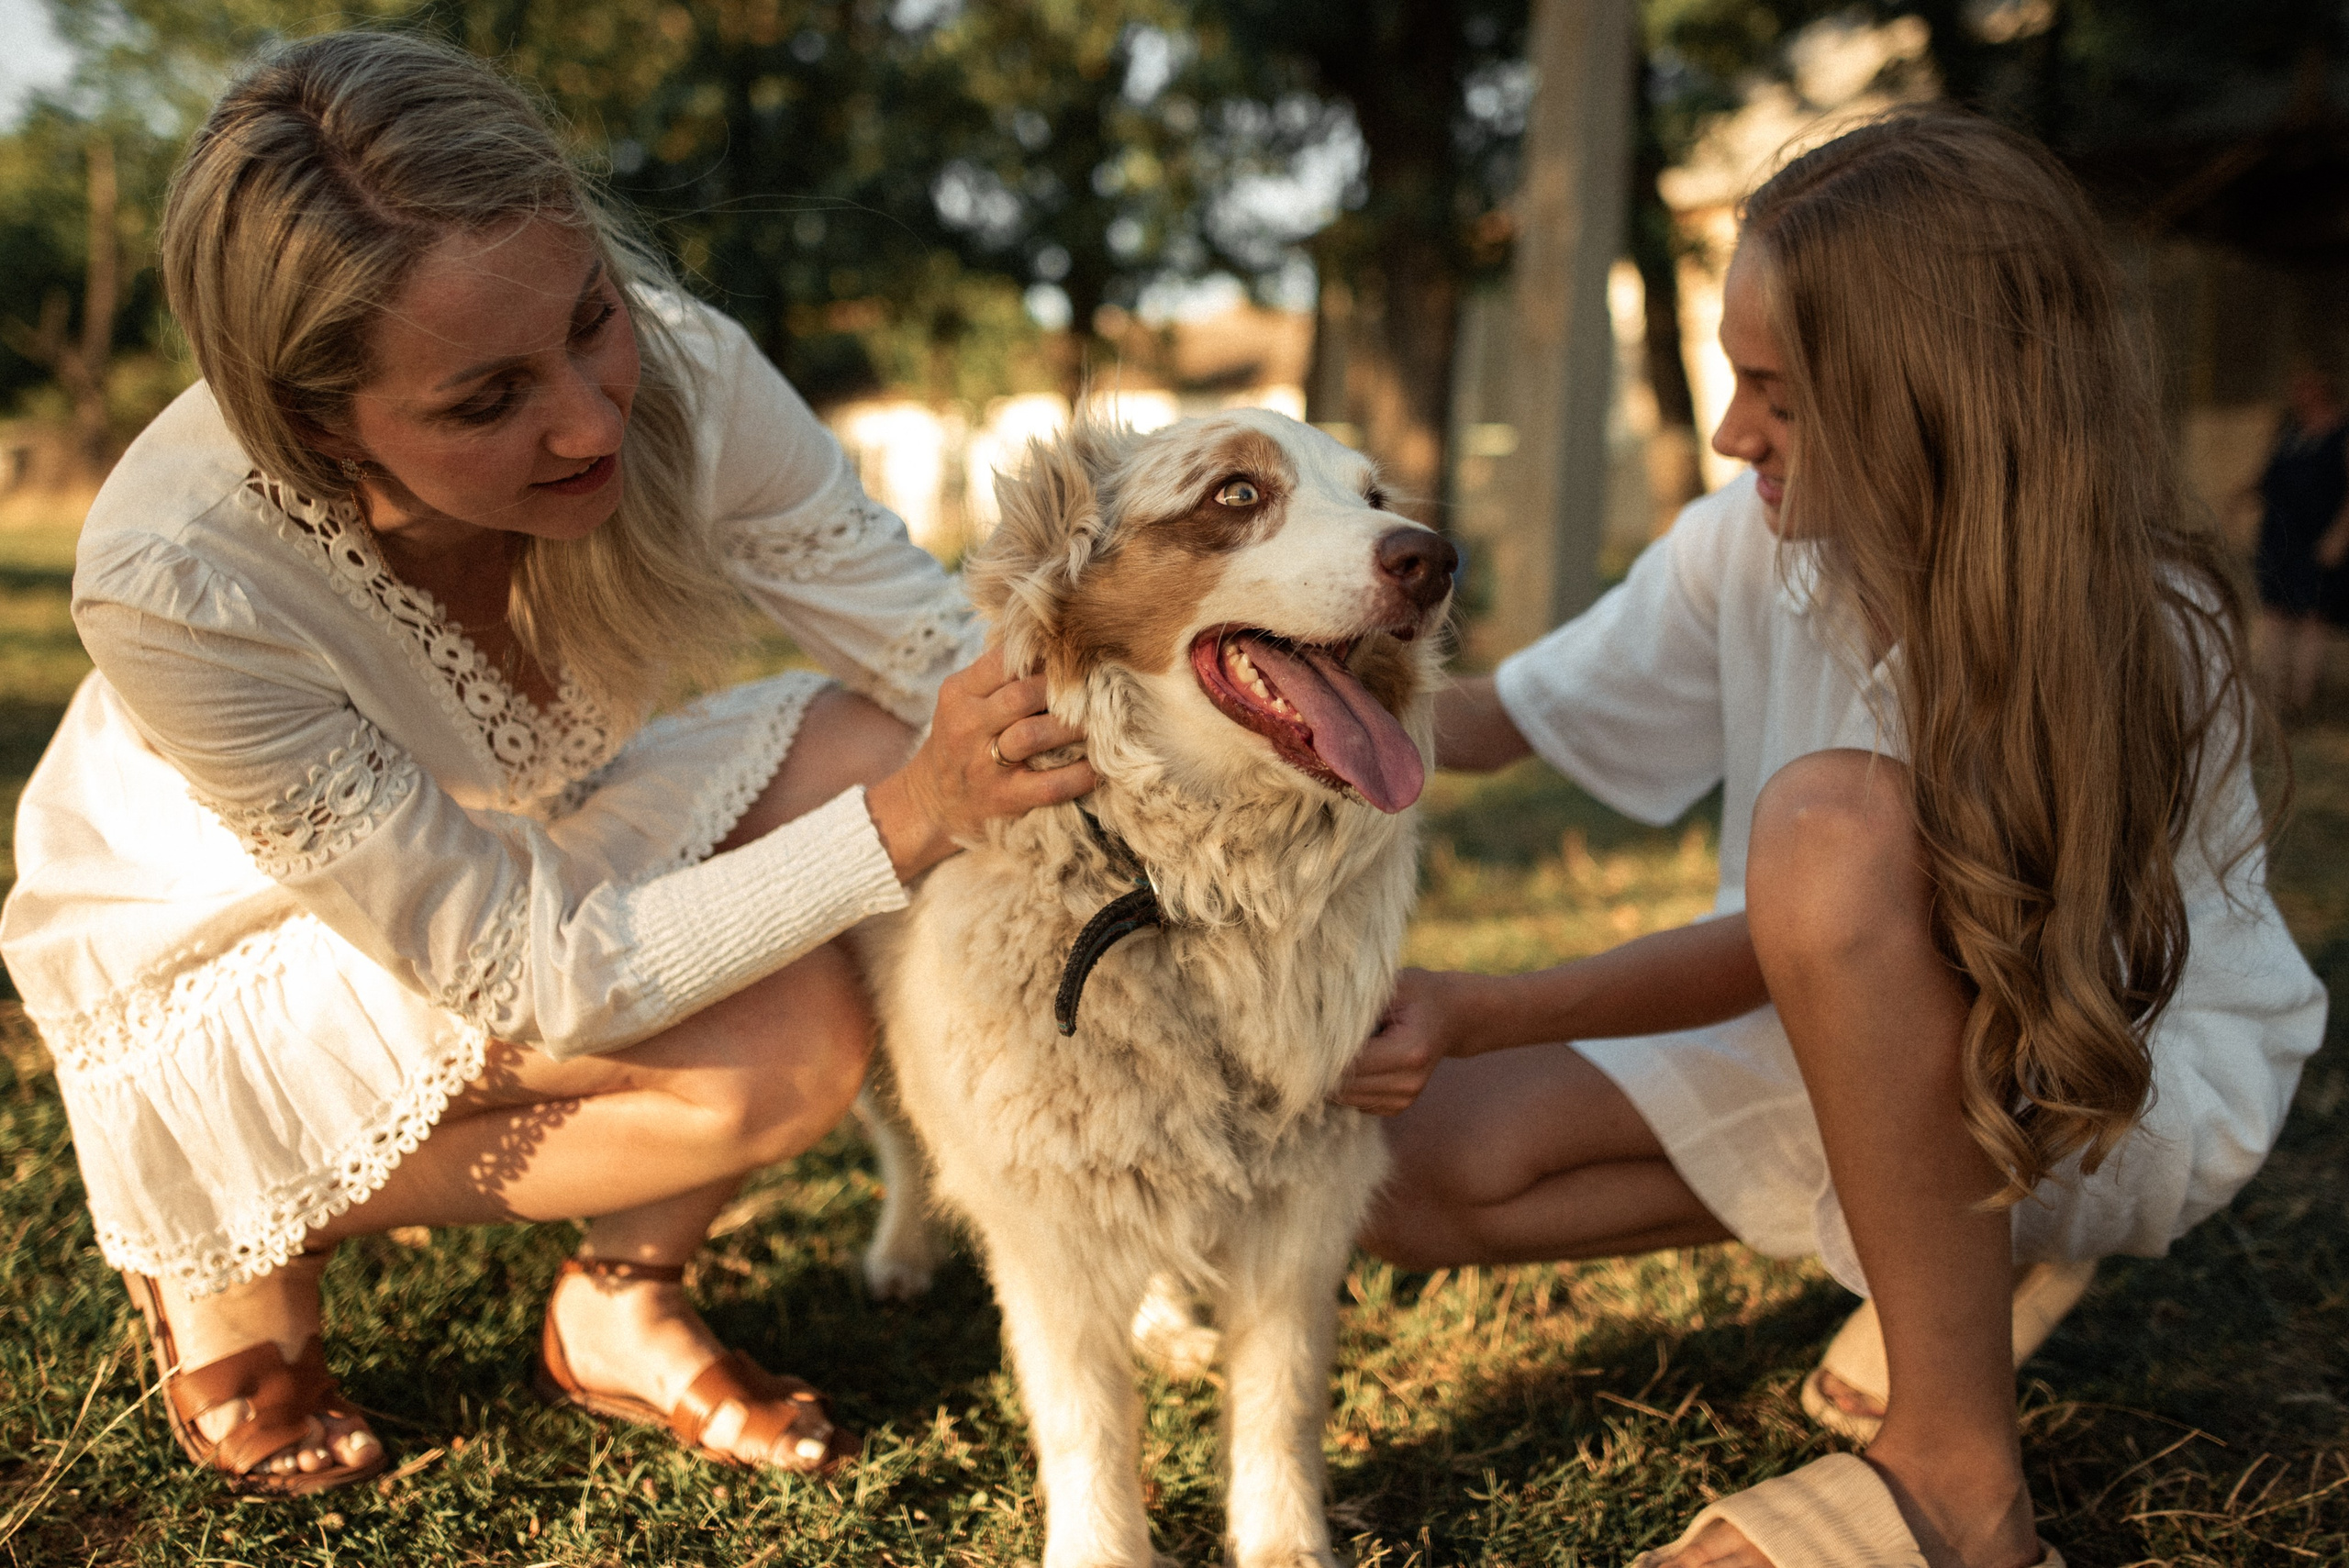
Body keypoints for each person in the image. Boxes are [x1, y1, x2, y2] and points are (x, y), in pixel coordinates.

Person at [0, 31, 1094, 1496]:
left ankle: (617, 1301)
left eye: (591, 318)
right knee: (789, 1030)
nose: (591, 417)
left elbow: (940, 656)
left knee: (860, 790)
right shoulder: (177, 579)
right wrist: (903, 822)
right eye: (483, 400)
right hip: (230, 943)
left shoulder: (681, 371)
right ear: (316, 426)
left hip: (524, 851)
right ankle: (241, 1195)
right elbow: (525, 972)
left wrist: (1218, 875)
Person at [1335, 111, 2325, 1568]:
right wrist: (1279, 685)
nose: (1736, 434)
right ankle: (1954, 1259)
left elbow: (1850, 917)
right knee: (1402, 1167)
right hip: (1847, 1015)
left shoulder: (2134, 625)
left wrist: (1493, 1010)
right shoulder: (1755, 531)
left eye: (1778, 395)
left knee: (1833, 829)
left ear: (1936, 397)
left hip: (2101, 1058)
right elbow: (1494, 720)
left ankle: (1955, 1481)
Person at [2249, 365, 2349, 717]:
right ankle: (2272, 695)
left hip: (2318, 536)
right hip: (2279, 535)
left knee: (2311, 615)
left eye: (2308, 386)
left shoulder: (2340, 434)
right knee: (2274, 611)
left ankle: (2300, 700)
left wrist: (2339, 535)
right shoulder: (2289, 431)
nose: (2300, 394)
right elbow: (2267, 475)